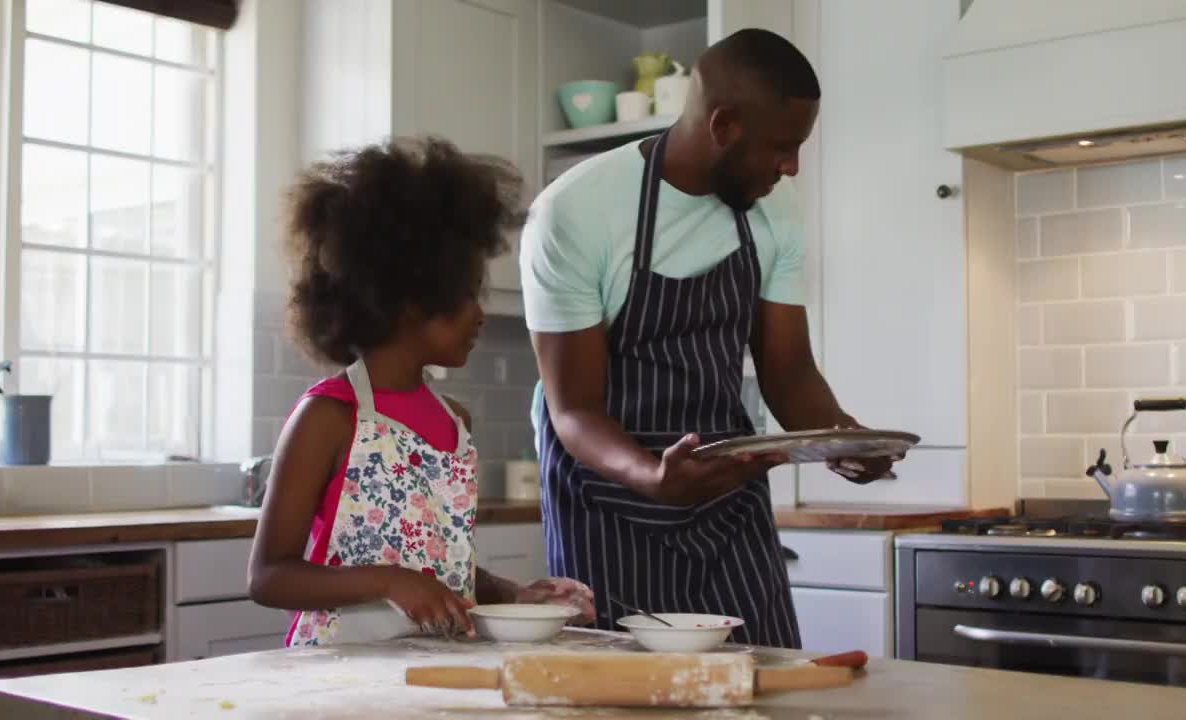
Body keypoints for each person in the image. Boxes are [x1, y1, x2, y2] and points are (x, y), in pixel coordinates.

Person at [520, 29, 901, 649]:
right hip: (609, 496)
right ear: (723, 124)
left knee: (765, 676)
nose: (792, 166)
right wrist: (651, 476)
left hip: (726, 494)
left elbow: (788, 370)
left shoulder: (777, 210)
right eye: (781, 148)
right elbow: (573, 409)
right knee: (623, 694)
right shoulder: (576, 214)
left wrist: (844, 439)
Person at [249, 137, 594, 645]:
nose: (480, 313)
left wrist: (514, 594)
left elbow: (442, 565)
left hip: (435, 666)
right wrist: (391, 582)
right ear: (412, 297)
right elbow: (269, 576)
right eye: (467, 293)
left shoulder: (455, 422)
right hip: (334, 675)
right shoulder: (329, 416)